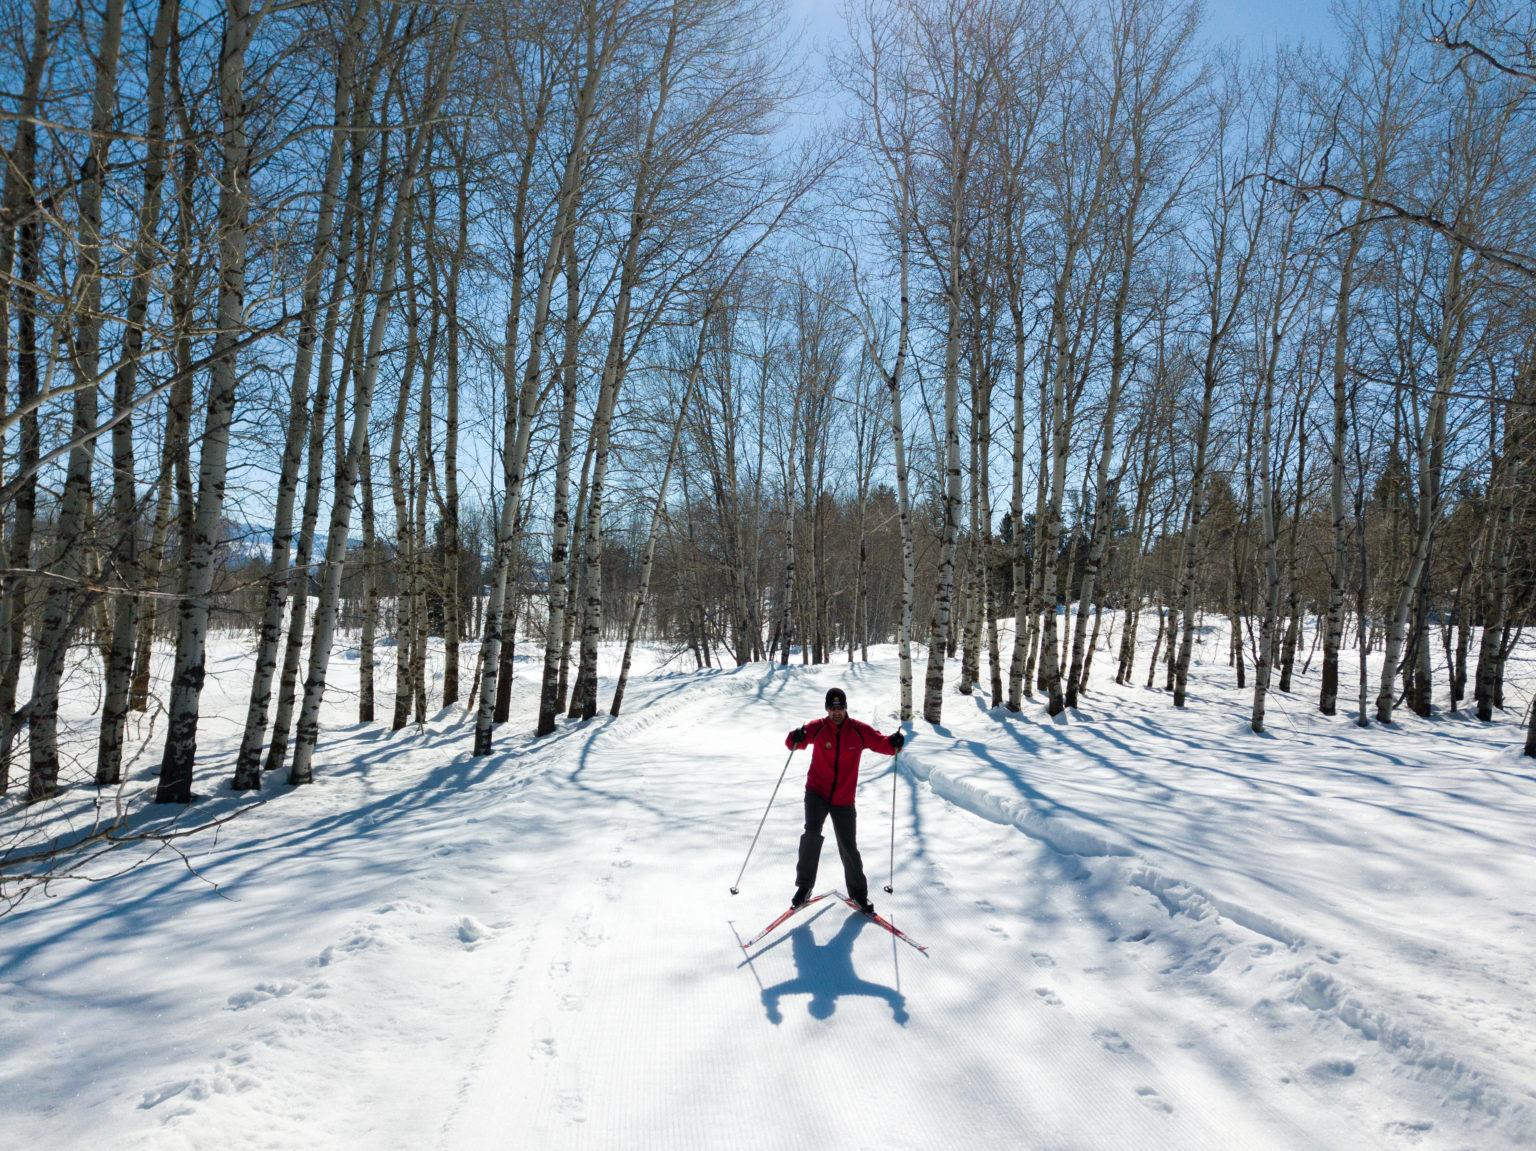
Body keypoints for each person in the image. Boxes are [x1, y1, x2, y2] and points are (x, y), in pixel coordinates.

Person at [785, 687, 906, 916]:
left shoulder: (858, 730)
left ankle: (859, 894)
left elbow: (883, 744)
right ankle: (804, 887)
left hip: (843, 798)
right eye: (832, 708)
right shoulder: (818, 727)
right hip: (816, 793)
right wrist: (796, 736)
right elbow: (793, 743)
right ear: (827, 709)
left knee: (848, 846)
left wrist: (895, 742)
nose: (836, 712)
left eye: (840, 708)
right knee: (811, 834)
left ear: (845, 708)